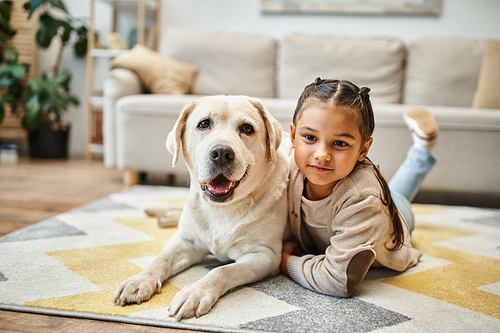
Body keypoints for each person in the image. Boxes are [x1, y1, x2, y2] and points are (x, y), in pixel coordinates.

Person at [280, 77, 438, 297]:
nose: (322, 155)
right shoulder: (288, 161)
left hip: (394, 217)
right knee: (390, 191)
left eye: (340, 143)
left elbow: (338, 280)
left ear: (364, 149)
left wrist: (283, 261)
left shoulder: (365, 199)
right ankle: (421, 145)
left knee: (397, 197)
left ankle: (423, 148)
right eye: (309, 137)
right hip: (367, 197)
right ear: (294, 135)